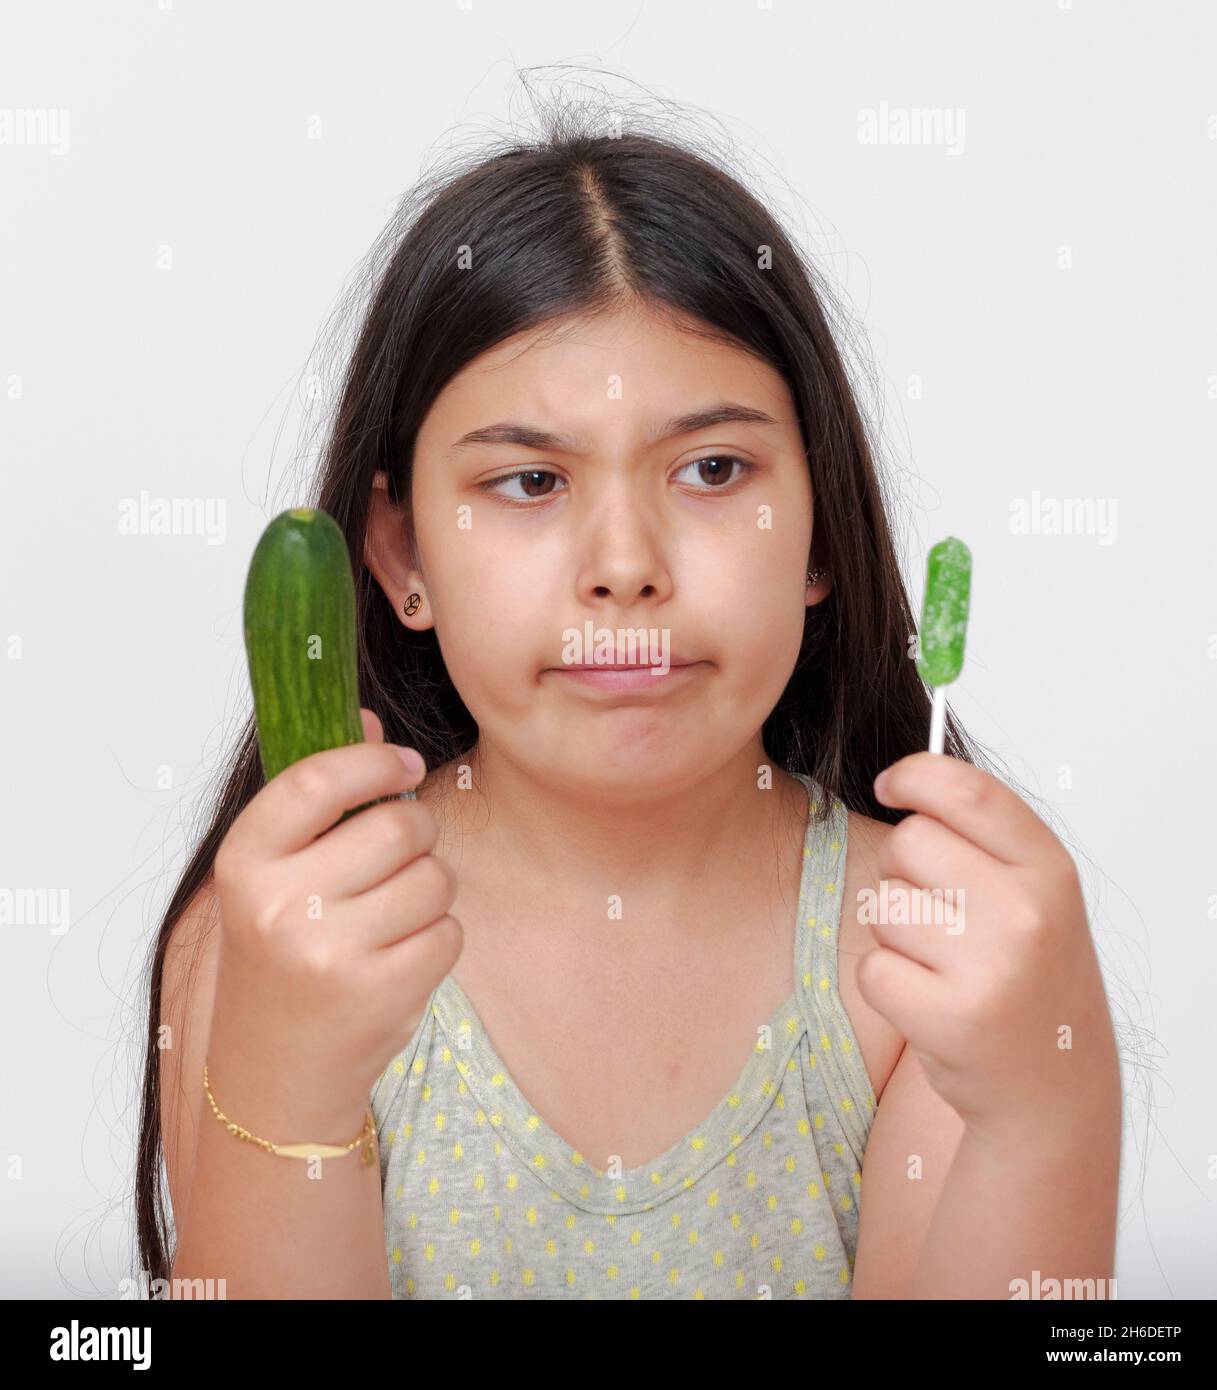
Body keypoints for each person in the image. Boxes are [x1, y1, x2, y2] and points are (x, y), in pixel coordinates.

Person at [139, 107, 1121, 1300]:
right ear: (400, 557)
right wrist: (283, 1075)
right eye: (530, 480)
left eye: (712, 470)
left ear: (819, 536)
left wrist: (1045, 1112)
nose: (624, 562)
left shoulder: (923, 950)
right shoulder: (285, 934)